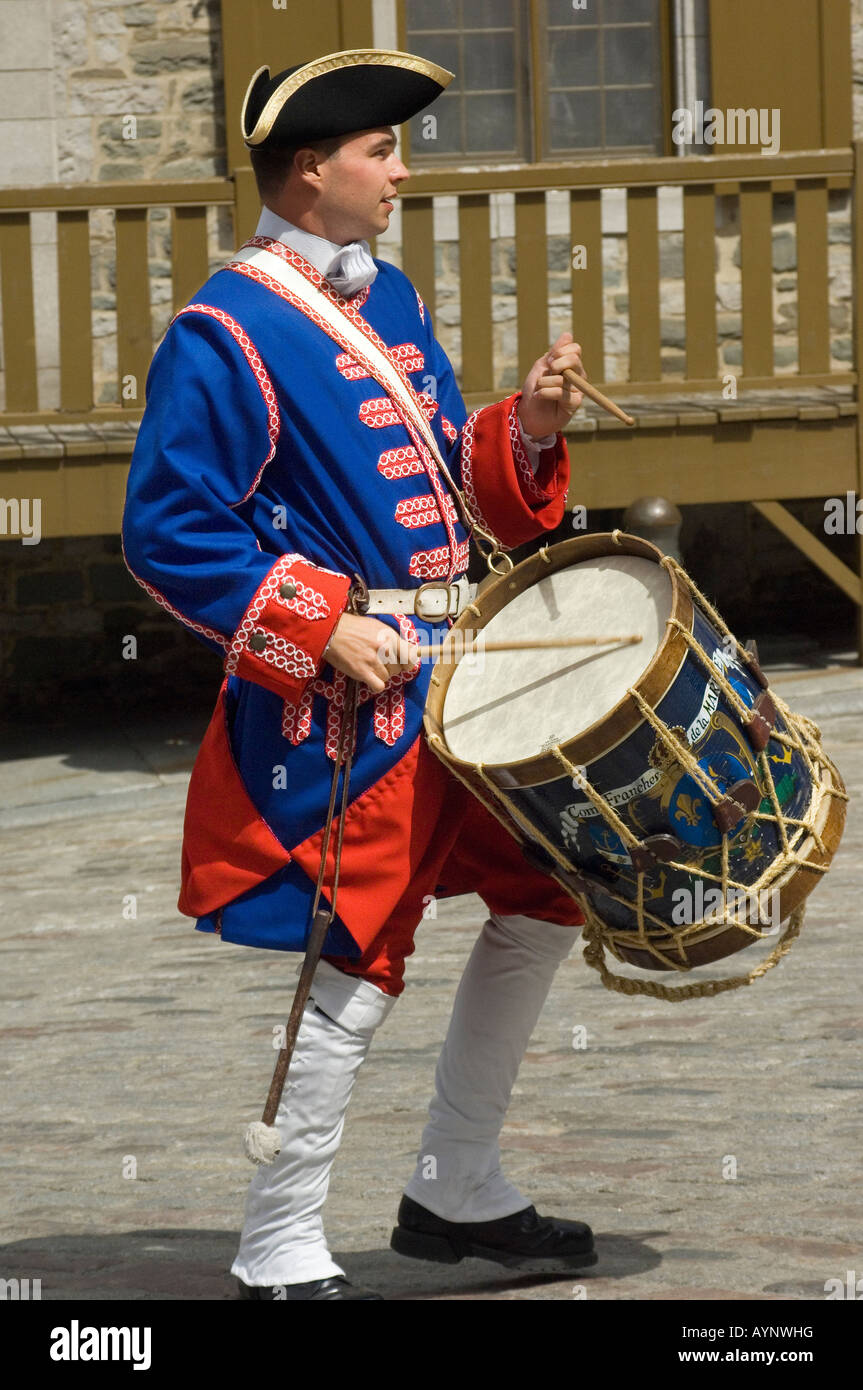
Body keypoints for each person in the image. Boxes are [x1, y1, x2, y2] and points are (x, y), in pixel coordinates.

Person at [122, 48, 597, 1301]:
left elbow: (444, 477)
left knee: (546, 893)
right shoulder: (224, 330)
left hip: (459, 673)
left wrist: (527, 430)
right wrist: (318, 626)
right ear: (307, 170)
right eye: (380, 151)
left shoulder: (386, 300)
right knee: (361, 950)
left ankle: (457, 1184)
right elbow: (171, 529)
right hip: (358, 702)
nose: (399, 170)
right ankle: (276, 1244)